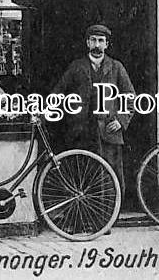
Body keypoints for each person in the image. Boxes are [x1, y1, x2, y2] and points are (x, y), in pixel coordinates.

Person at [51, 23, 134, 196]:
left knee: (111, 178)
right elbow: (58, 92)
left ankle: (112, 211)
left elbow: (130, 97)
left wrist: (121, 120)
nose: (97, 45)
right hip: (82, 133)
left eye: (101, 41)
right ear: (87, 43)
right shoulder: (76, 67)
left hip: (109, 132)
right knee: (84, 179)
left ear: (107, 44)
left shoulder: (116, 67)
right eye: (93, 40)